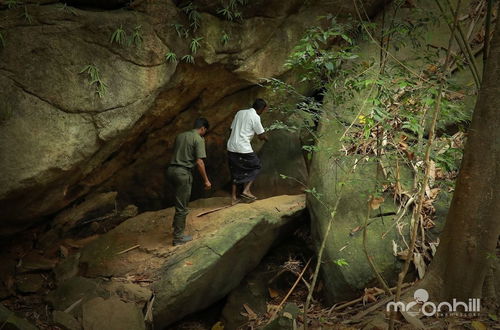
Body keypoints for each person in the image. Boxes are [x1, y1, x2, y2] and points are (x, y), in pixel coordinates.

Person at [167, 118, 211, 246]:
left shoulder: (180, 136)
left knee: (178, 199)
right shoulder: (198, 139)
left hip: (171, 171)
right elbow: (199, 161)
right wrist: (206, 180)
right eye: (205, 131)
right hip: (182, 173)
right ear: (202, 128)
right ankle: (178, 238)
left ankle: (176, 226)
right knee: (182, 206)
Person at [227, 98, 269, 204]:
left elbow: (231, 129)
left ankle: (233, 199)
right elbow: (261, 135)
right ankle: (246, 190)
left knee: (235, 170)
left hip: (231, 146)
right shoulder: (255, 117)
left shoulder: (240, 113)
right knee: (256, 166)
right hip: (243, 147)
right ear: (262, 109)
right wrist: (267, 138)